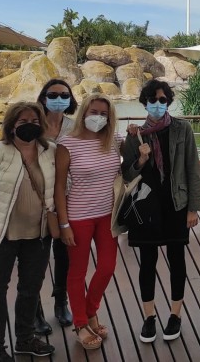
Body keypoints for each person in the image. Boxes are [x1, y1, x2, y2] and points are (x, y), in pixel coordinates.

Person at [0, 102, 57, 361]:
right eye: (23, 121)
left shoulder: (49, 152)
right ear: (11, 125)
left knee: (30, 288)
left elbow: (61, 186)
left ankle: (25, 339)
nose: (30, 125)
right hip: (0, 235)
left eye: (35, 121)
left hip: (38, 235)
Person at [122, 80, 200, 343]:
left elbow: (192, 169)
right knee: (147, 262)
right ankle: (149, 317)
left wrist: (193, 208)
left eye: (163, 100)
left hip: (176, 204)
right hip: (146, 207)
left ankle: (175, 314)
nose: (158, 104)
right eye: (153, 100)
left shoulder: (182, 129)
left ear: (168, 102)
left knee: (177, 259)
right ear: (144, 103)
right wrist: (141, 158)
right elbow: (127, 174)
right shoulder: (135, 134)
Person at [55, 94, 122, 351]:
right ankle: (81, 323)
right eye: (94, 111)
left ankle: (91, 310)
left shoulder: (113, 140)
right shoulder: (67, 143)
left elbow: (126, 169)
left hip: (108, 215)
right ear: (83, 112)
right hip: (78, 216)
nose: (99, 117)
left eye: (104, 114)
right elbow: (59, 187)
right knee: (77, 272)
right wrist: (64, 224)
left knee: (107, 267)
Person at [34, 78, 78, 333]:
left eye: (64, 94)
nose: (59, 98)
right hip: (37, 199)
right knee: (36, 258)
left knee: (64, 255)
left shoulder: (74, 127)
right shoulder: (33, 124)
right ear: (44, 96)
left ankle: (60, 301)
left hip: (66, 198)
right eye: (53, 94)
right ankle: (35, 309)